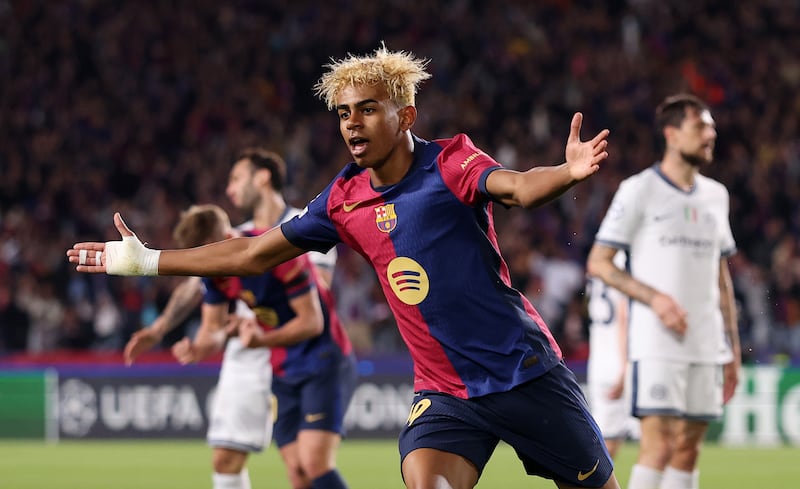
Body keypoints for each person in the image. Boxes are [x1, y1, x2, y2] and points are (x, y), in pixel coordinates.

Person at [69, 45, 620, 489]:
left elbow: (519, 188)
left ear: (405, 115)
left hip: (523, 372)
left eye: (367, 109)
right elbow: (251, 252)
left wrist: (566, 174)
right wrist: (148, 261)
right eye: (343, 113)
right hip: (447, 393)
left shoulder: (449, 163)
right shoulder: (343, 199)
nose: (352, 124)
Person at [123, 148, 341, 489]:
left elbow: (318, 293)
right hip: (246, 350)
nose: (229, 190)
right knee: (225, 456)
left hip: (295, 344)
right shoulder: (234, 238)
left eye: (236, 178)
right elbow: (194, 287)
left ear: (262, 177)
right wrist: (161, 327)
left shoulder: (305, 224)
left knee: (302, 468)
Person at [586, 93, 741, 489]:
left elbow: (720, 277)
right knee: (659, 445)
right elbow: (598, 262)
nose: (711, 134)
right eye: (700, 126)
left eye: (711, 127)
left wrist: (733, 350)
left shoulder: (716, 196)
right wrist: (655, 298)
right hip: (657, 342)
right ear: (672, 134)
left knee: (689, 448)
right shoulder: (639, 190)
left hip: (707, 343)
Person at [169, 203, 357, 489]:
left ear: (227, 240)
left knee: (314, 463)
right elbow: (213, 330)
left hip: (323, 360)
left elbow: (311, 323)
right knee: (298, 472)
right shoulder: (214, 272)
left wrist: (261, 339)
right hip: (282, 368)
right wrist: (198, 349)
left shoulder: (276, 252)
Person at [585, 251, 639, 459]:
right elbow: (625, 314)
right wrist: (625, 369)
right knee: (659, 441)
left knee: (607, 445)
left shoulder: (598, 260)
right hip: (624, 361)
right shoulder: (628, 259)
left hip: (599, 360)